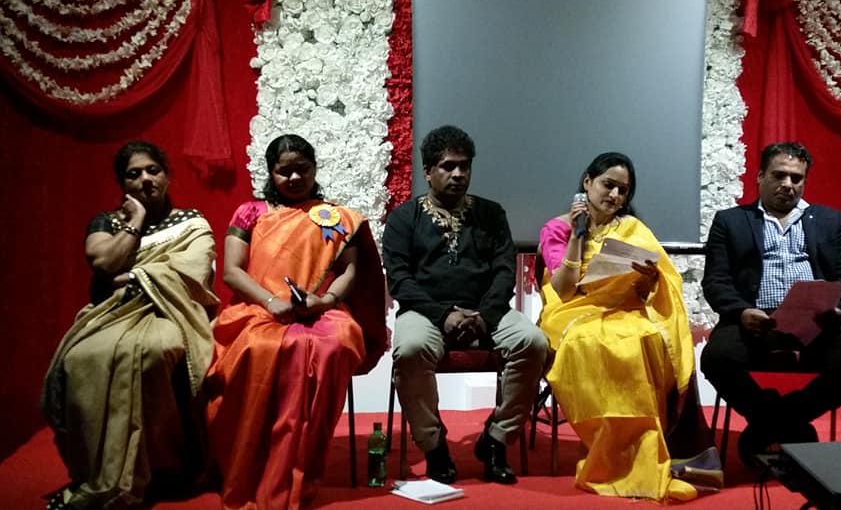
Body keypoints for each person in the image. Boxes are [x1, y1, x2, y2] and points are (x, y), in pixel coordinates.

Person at [204, 134, 388, 509]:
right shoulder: (250, 213)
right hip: (258, 308)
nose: (293, 178)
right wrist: (271, 301)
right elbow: (232, 272)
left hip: (321, 309)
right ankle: (253, 461)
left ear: (314, 169)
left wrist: (325, 300)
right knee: (261, 347)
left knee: (336, 344)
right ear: (270, 173)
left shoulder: (335, 217)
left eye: (302, 169)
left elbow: (349, 270)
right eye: (283, 171)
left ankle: (303, 462)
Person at [40, 141, 220, 509]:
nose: (145, 179)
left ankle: (165, 466)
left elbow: (194, 271)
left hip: (170, 311)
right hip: (112, 313)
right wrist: (136, 221)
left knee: (155, 350)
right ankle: (100, 471)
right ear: (123, 183)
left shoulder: (191, 221)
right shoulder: (107, 222)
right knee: (81, 358)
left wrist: (133, 276)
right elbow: (104, 263)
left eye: (153, 170)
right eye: (133, 174)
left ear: (167, 176)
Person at [538, 152, 720, 501]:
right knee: (592, 342)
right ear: (587, 182)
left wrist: (649, 278)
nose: (615, 196)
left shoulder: (633, 230)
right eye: (608, 185)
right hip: (572, 313)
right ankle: (612, 459)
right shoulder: (557, 228)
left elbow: (652, 289)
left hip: (625, 309)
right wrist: (577, 235)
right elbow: (563, 291)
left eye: (623, 190)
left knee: (643, 338)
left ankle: (647, 458)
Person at [382, 125, 549, 485]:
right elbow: (400, 281)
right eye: (448, 166)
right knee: (410, 349)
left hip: (485, 311)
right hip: (425, 312)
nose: (458, 174)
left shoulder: (491, 214)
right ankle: (434, 445)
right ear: (428, 171)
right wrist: (443, 315)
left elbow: (504, 271)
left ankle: (496, 440)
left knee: (533, 342)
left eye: (465, 166)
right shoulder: (403, 219)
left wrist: (485, 316)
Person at [699, 141, 841, 467]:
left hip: (817, 322)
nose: (788, 184)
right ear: (760, 176)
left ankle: (777, 420)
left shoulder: (830, 220)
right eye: (779, 175)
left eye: (796, 178)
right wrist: (741, 312)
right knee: (716, 359)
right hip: (754, 320)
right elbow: (716, 280)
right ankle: (789, 425)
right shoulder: (730, 221)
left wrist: (839, 310)